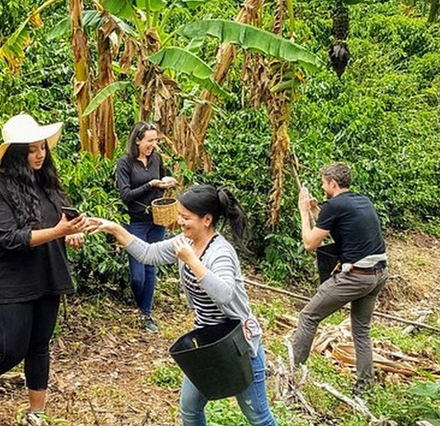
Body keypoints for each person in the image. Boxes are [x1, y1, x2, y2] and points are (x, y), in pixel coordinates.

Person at [89, 185, 277, 426]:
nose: (179, 222)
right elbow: (149, 253)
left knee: (257, 415)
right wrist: (115, 228)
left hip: (238, 343)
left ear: (207, 220)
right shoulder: (185, 241)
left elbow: (225, 294)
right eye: (179, 215)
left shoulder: (220, 253)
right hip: (208, 344)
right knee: (189, 409)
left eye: (186, 217)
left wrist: (191, 261)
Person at [0, 114, 88, 426]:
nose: (40, 154)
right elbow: (10, 238)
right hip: (7, 279)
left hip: (46, 273)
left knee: (39, 345)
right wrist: (58, 232)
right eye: (32, 150)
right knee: (11, 349)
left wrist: (73, 231)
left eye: (42, 148)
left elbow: (61, 222)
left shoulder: (47, 182)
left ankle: (36, 414)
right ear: (15, 153)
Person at [295, 162, 388, 394]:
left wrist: (304, 212)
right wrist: (318, 211)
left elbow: (310, 243)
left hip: (357, 277)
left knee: (308, 317)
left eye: (324, 183)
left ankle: (292, 374)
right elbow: (341, 227)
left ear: (333, 183)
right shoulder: (361, 200)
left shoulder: (334, 205)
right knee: (361, 330)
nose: (323, 187)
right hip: (378, 274)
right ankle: (364, 387)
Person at [115, 122, 176, 332]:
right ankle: (140, 301)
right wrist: (150, 185)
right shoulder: (125, 163)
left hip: (156, 220)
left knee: (151, 268)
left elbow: (161, 179)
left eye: (155, 140)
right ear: (138, 140)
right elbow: (125, 196)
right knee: (137, 275)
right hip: (135, 222)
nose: (153, 144)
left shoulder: (156, 159)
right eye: (150, 140)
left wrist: (166, 183)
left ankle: (146, 313)